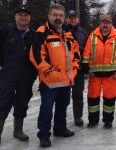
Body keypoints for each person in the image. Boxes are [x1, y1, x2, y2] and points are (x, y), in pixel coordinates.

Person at [29, 4, 80, 147]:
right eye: (55, 15)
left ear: (64, 17)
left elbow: (76, 53)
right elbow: (36, 55)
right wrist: (48, 70)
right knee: (46, 108)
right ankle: (44, 135)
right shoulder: (42, 32)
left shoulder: (68, 33)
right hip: (49, 81)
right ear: (49, 16)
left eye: (61, 15)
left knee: (63, 106)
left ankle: (60, 128)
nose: (58, 18)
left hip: (66, 79)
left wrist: (75, 67)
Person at [0, 7, 37, 147]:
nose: (23, 17)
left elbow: (38, 55)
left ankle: (18, 131)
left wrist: (36, 71)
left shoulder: (34, 34)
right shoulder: (6, 30)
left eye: (26, 15)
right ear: (15, 17)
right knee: (2, 102)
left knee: (22, 102)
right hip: (8, 74)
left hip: (26, 76)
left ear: (29, 18)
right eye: (20, 15)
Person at [83, 14, 116, 129]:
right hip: (94, 75)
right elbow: (86, 52)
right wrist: (85, 67)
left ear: (111, 24)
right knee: (93, 99)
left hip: (111, 75)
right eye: (103, 22)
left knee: (110, 100)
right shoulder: (92, 36)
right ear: (100, 23)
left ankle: (108, 121)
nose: (105, 24)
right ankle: (93, 120)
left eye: (108, 22)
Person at [66, 9, 88, 127]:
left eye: (75, 17)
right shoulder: (61, 31)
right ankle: (61, 118)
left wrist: (86, 67)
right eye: (70, 17)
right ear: (67, 19)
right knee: (62, 97)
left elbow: (87, 50)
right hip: (63, 69)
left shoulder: (83, 32)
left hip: (78, 69)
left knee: (78, 94)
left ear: (78, 19)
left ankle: (77, 117)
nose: (73, 19)